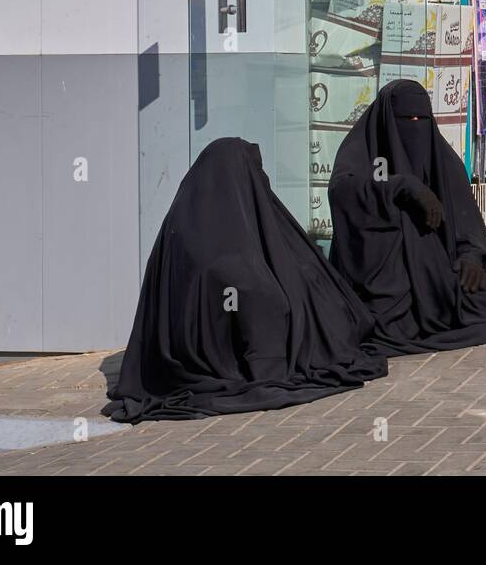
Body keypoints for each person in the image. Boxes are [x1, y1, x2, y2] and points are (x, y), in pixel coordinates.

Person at [104, 139, 387, 423]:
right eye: (253, 172)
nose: (259, 181)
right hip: (224, 352)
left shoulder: (186, 219)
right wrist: (269, 365)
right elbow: (256, 293)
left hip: (183, 348)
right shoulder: (226, 239)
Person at [329, 79, 486, 355]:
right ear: (387, 122)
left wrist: (471, 255)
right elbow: (344, 191)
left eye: (420, 119)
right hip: (387, 283)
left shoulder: (443, 161)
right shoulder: (365, 152)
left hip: (437, 276)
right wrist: (400, 186)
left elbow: (466, 223)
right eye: (405, 119)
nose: (414, 127)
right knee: (373, 320)